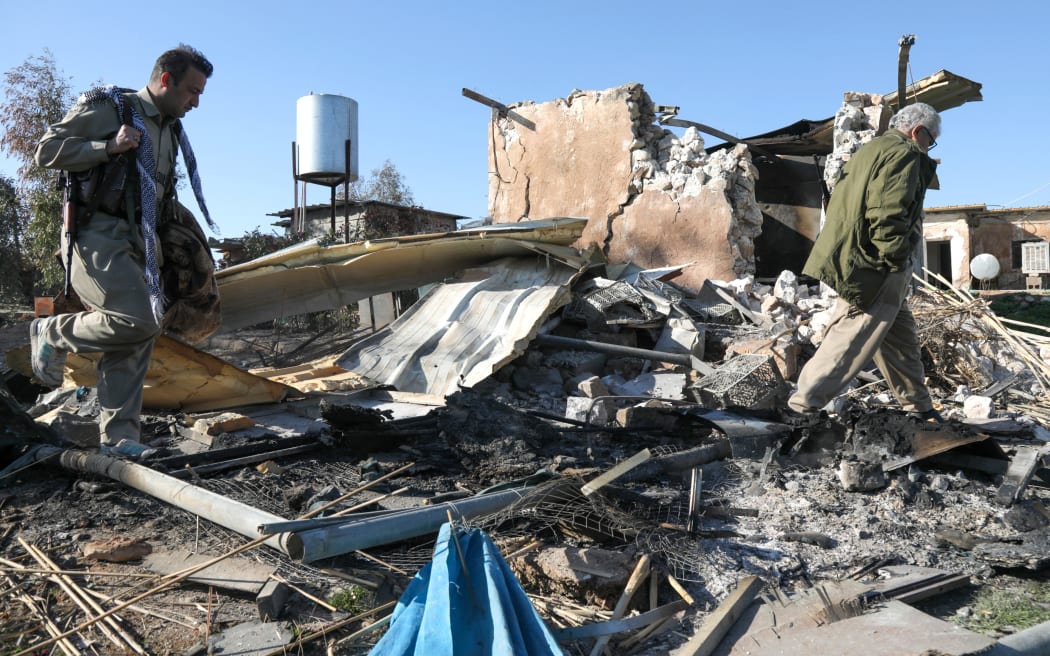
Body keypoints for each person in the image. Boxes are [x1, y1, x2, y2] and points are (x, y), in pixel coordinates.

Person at [32, 44, 215, 459]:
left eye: (200, 93)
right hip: (96, 234)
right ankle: (52, 331)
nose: (196, 102)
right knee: (139, 320)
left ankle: (118, 441)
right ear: (165, 80)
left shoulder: (170, 130)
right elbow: (46, 150)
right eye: (192, 90)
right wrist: (106, 147)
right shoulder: (112, 108)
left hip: (141, 243)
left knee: (133, 340)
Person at [787, 101, 943, 422]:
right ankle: (801, 408)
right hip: (876, 264)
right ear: (918, 132)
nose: (930, 147)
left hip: (862, 256)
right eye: (931, 140)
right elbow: (886, 213)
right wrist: (895, 259)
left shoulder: (870, 151)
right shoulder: (904, 154)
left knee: (900, 341)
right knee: (852, 337)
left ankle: (920, 408)